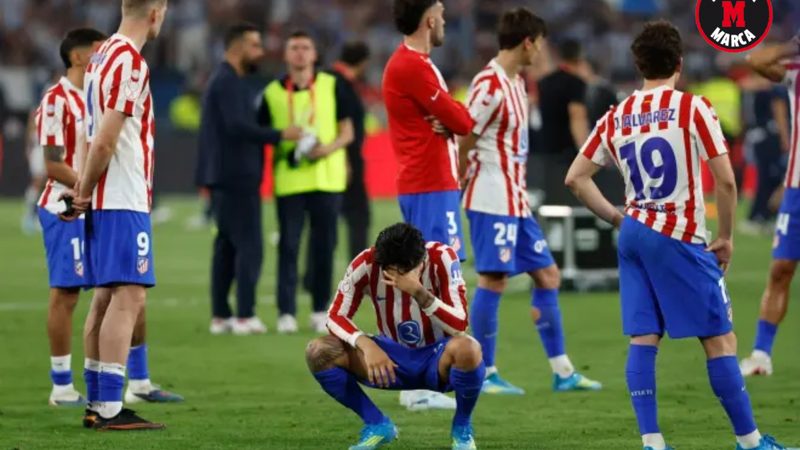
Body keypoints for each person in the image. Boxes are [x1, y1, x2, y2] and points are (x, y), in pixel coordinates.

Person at [565, 20, 793, 450]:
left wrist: (620, 220)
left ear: (638, 65)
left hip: (634, 232)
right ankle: (751, 442)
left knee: (644, 336)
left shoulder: (617, 114)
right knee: (720, 337)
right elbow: (725, 181)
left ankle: (652, 442)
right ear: (680, 63)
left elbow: (576, 179)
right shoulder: (692, 108)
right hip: (678, 233)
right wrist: (726, 236)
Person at [460, 7, 601, 396]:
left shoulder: (517, 83)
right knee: (493, 279)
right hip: (491, 197)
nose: (540, 53)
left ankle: (563, 372)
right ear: (527, 42)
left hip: (515, 199)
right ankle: (483, 373)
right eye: (538, 45)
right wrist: (457, 179)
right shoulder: (488, 85)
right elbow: (464, 137)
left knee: (547, 275)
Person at [62, 0, 170, 430]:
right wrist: (84, 189)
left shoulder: (101, 54)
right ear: (156, 14)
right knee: (129, 296)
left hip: (105, 196)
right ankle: (108, 408)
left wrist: (83, 189)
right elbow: (105, 138)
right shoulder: (127, 60)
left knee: (106, 297)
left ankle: (97, 401)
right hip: (122, 196)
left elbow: (90, 134)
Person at [305, 223, 484, 450]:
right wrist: (366, 344)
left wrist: (418, 291)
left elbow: (460, 325)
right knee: (319, 351)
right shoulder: (367, 262)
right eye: (389, 270)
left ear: (421, 260)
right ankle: (377, 425)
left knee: (469, 348)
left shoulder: (443, 257)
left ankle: (462, 429)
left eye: (404, 270)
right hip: (390, 359)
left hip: (437, 358)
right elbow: (334, 316)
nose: (396, 277)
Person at [382, 0, 475, 411]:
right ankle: (418, 384)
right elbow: (463, 121)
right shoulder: (411, 66)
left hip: (432, 182)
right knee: (428, 276)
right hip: (427, 183)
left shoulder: (416, 64)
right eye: (441, 15)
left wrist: (450, 117)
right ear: (430, 19)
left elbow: (455, 118)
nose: (445, 23)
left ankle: (429, 377)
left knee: (436, 274)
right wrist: (450, 117)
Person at [197, 23, 302, 336]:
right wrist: (280, 134)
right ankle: (244, 315)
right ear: (239, 47)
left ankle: (221, 315)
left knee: (227, 246)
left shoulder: (226, 80)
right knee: (250, 246)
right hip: (236, 174)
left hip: (224, 174)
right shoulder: (228, 82)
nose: (260, 52)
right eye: (255, 46)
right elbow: (237, 127)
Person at [259, 30, 354, 334]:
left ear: (314, 55)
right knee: (288, 245)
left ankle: (319, 309)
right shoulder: (272, 91)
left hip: (327, 178)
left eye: (305, 47)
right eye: (294, 47)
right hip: (290, 180)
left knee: (324, 246)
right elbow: (260, 133)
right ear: (286, 55)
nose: (300, 53)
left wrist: (327, 149)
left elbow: (348, 131)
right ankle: (286, 311)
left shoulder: (331, 85)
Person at [739, 34, 800, 377]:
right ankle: (761, 355)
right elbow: (755, 61)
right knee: (781, 270)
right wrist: (793, 45)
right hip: (797, 188)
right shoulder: (796, 68)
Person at [536, 38, 590, 205]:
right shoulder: (576, 83)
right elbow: (577, 116)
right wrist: (586, 151)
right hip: (567, 154)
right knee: (570, 203)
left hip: (546, 152)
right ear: (580, 58)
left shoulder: (544, 82)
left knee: (552, 201)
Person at [333, 41, 372, 259]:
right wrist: (347, 161)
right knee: (359, 217)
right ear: (363, 63)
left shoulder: (332, 81)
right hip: (346, 160)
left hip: (338, 158)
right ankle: (360, 269)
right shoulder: (342, 85)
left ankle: (311, 274)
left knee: (328, 218)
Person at [739, 73, 790, 234]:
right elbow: (779, 112)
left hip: (759, 136)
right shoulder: (775, 89)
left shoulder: (754, 88)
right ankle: (759, 216)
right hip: (769, 137)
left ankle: (765, 216)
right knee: (770, 178)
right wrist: (785, 138)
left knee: (770, 179)